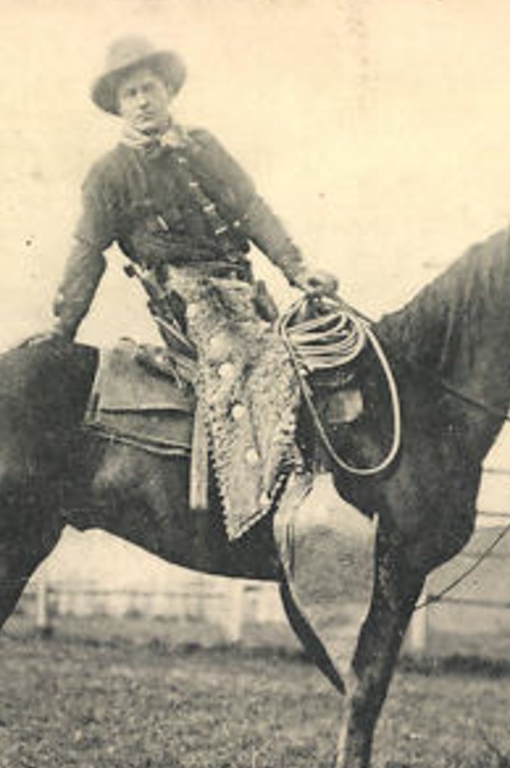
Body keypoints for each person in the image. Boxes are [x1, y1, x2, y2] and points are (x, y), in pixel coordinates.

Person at [35, 35, 342, 538]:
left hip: (246, 293)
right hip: (188, 302)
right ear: (117, 105)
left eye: (149, 88)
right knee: (241, 362)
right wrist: (62, 326)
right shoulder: (108, 174)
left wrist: (295, 268)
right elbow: (87, 252)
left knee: (313, 351)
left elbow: (252, 211)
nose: (142, 100)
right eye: (130, 93)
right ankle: (250, 506)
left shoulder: (204, 147)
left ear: (167, 92)